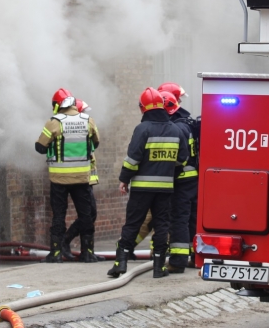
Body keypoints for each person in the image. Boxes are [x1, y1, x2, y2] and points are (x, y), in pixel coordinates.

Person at [107, 87, 189, 279]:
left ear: (144, 108)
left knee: (132, 224)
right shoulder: (175, 130)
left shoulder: (142, 129)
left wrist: (124, 179)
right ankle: (159, 268)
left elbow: (133, 158)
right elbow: (182, 159)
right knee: (162, 225)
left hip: (142, 188)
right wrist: (167, 168)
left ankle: (120, 263)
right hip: (166, 188)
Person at [35, 88, 99, 263]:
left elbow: (40, 147)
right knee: (86, 215)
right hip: (82, 178)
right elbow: (95, 143)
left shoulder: (53, 122)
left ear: (57, 105)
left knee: (59, 215)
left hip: (59, 179)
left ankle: (55, 254)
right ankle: (88, 253)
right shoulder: (88, 120)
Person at [158, 82, 199, 272]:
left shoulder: (176, 128)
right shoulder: (188, 122)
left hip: (181, 179)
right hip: (193, 179)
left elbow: (177, 157)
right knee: (191, 218)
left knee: (179, 219)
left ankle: (177, 261)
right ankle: (194, 256)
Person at [61, 99, 102, 262]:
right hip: (80, 180)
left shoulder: (83, 129)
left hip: (87, 179)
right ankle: (68, 242)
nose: (85, 115)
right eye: (83, 111)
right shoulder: (77, 130)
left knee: (90, 214)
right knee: (88, 214)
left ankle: (87, 250)